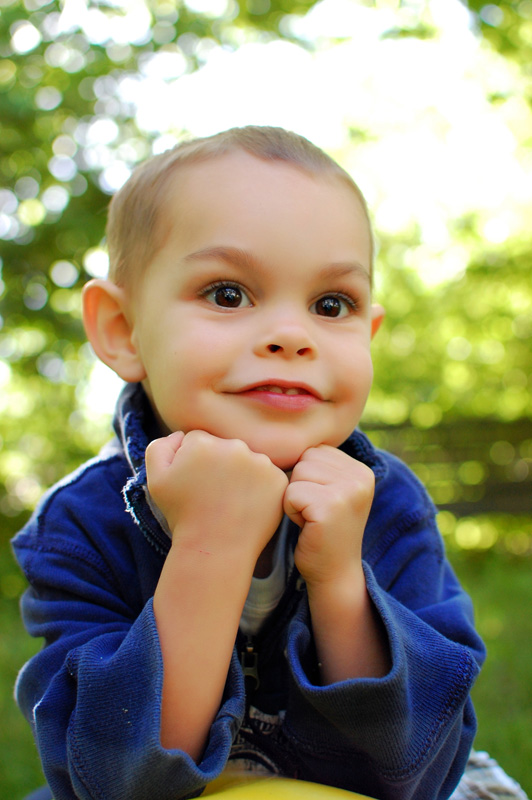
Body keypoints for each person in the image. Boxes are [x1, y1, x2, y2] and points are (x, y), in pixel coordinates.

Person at [12, 126, 486, 800]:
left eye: (331, 305)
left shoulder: (388, 504)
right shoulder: (82, 524)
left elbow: (421, 773)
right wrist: (210, 546)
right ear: (123, 330)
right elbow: (113, 782)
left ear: (367, 334)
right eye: (228, 293)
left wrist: (341, 581)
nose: (292, 336)